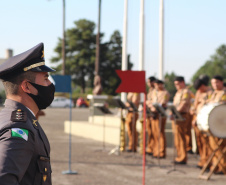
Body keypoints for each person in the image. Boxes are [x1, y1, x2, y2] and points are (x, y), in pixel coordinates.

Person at [0, 43, 55, 184]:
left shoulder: (12, 117)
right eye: (45, 78)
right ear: (26, 86)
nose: (50, 84)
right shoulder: (18, 128)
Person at [190, 76, 212, 169]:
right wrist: (192, 110)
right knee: (199, 141)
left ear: (203, 85)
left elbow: (207, 106)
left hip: (204, 119)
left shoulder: (210, 93)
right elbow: (195, 104)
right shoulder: (199, 92)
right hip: (196, 119)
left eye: (199, 88)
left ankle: (208, 161)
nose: (198, 90)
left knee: (206, 142)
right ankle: (202, 160)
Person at [171, 76, 192, 164]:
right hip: (176, 116)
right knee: (177, 137)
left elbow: (183, 104)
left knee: (181, 137)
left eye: (178, 84)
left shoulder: (186, 92)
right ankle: (179, 156)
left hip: (182, 115)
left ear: (182, 82)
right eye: (175, 84)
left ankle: (183, 157)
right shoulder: (178, 92)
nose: (176, 86)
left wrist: (175, 113)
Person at [207, 75, 226, 174]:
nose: (215, 85)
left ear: (221, 82)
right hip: (214, 122)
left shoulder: (224, 92)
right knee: (213, 145)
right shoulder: (213, 93)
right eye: (213, 83)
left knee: (221, 146)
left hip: (223, 124)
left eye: (217, 82)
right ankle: (216, 166)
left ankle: (222, 167)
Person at [147, 79, 170, 158]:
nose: (155, 86)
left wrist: (153, 106)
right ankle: (156, 151)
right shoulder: (154, 92)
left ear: (161, 84)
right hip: (153, 114)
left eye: (157, 85)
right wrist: (150, 106)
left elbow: (162, 103)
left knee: (160, 133)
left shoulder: (165, 93)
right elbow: (149, 101)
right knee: (155, 133)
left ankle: (161, 152)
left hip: (160, 114)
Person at [146, 76, 156, 155]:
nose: (148, 84)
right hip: (149, 113)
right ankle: (150, 147)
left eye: (149, 82)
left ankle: (154, 149)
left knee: (154, 133)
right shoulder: (150, 90)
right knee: (149, 132)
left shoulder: (156, 91)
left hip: (154, 113)